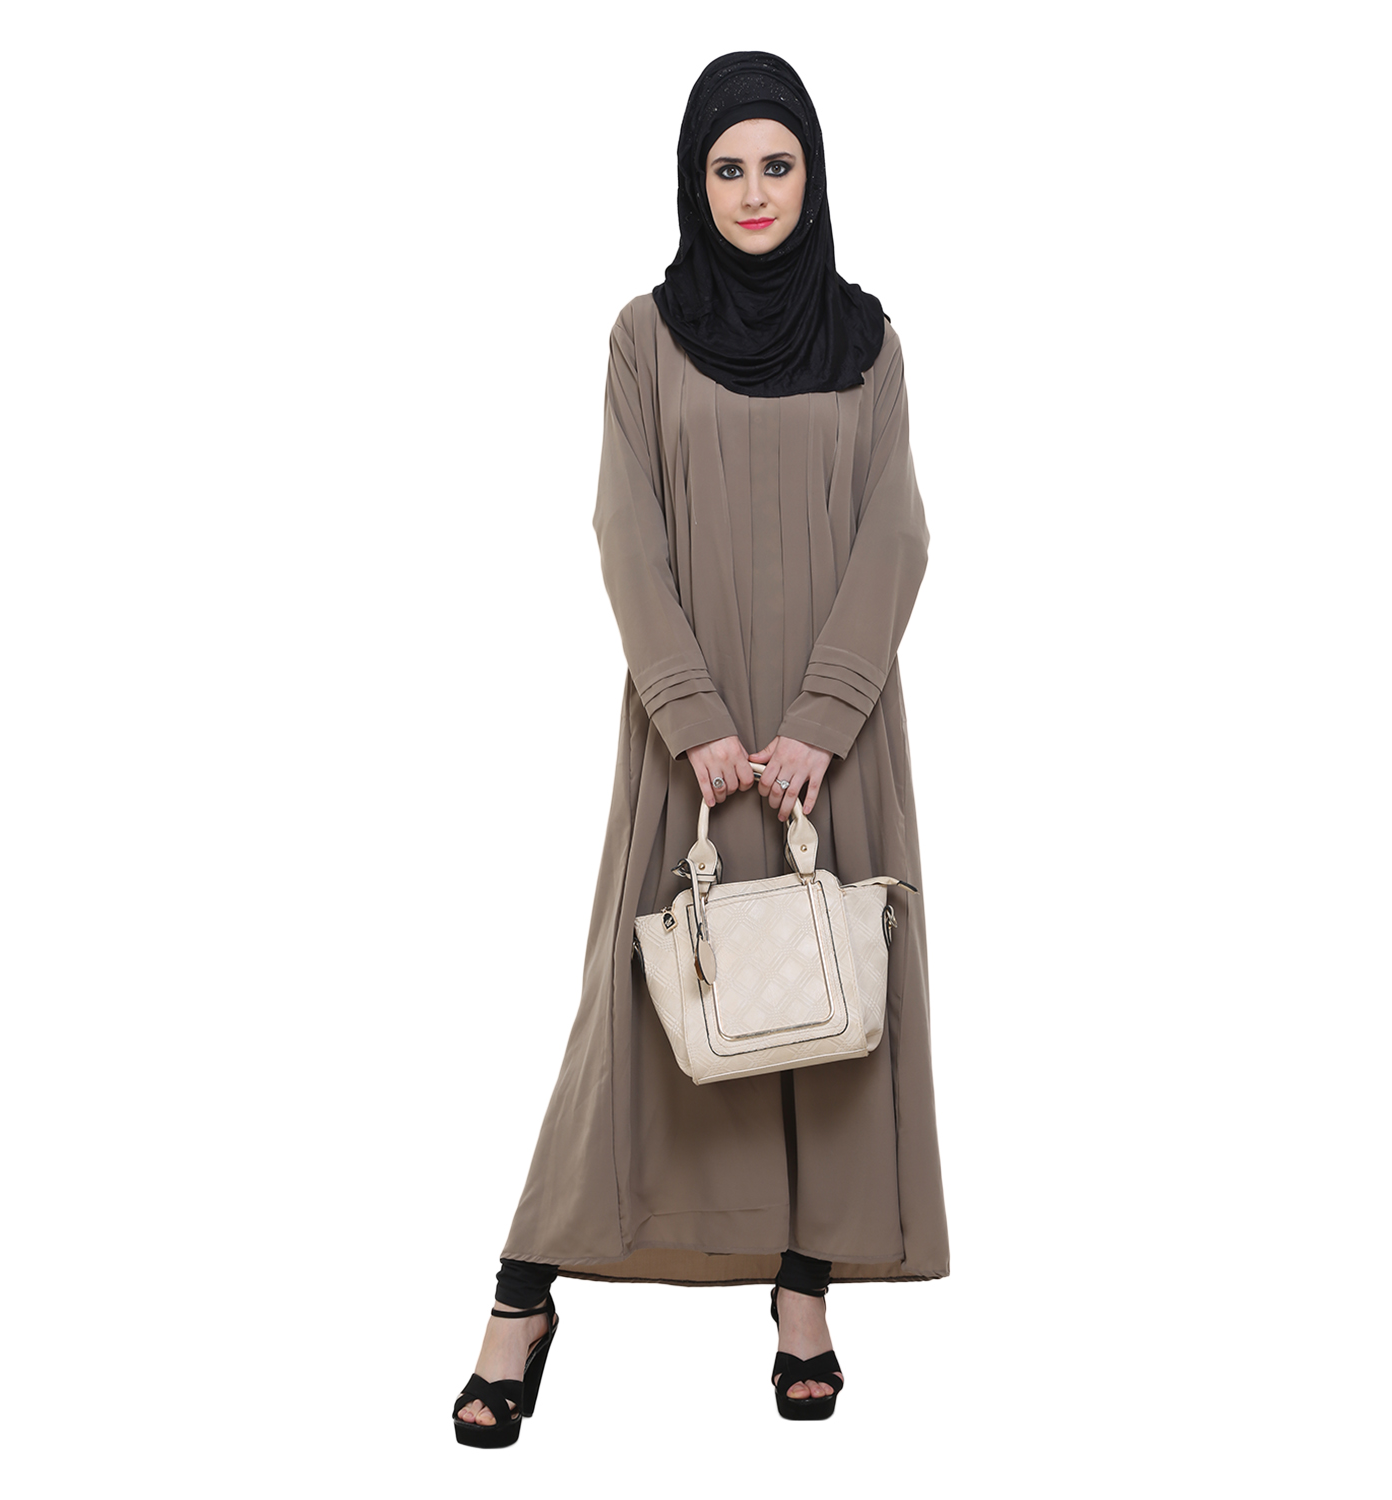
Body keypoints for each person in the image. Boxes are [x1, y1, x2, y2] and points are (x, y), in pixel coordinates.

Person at [455, 50, 949, 1447]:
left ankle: (805, 1299)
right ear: (693, 179)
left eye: (777, 164)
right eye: (727, 168)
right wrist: (696, 720)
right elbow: (625, 531)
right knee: (637, 1016)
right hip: (695, 748)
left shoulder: (868, 341)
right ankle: (522, 1295)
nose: (753, 192)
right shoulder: (644, 336)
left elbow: (898, 534)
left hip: (832, 744)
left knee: (828, 1007)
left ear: (814, 176)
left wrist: (821, 722)